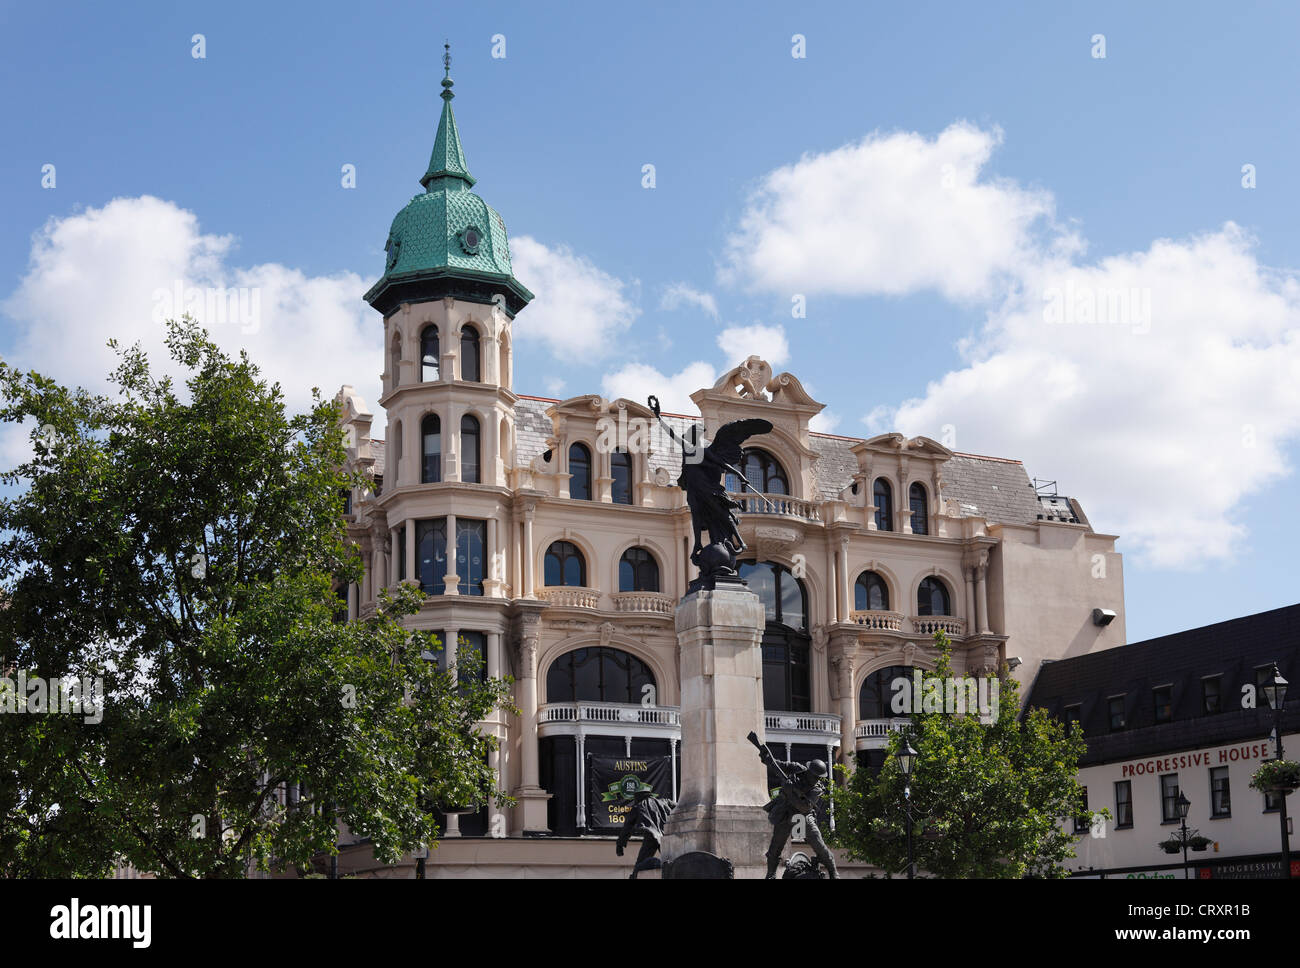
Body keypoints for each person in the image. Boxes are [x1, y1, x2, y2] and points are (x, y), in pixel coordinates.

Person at [758, 748, 838, 879]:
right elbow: (779, 765)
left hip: (803, 816)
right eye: (814, 776)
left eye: (818, 777)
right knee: (775, 847)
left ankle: (834, 873)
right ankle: (771, 874)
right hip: (785, 811)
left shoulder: (817, 789)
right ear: (809, 771)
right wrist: (767, 759)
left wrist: (790, 792)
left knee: (819, 845)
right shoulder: (797, 768)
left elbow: (804, 807)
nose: (816, 779)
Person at [615, 789, 676, 879]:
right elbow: (680, 805)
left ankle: (634, 876)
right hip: (665, 835)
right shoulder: (664, 802)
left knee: (641, 863)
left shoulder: (639, 806)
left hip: (651, 836)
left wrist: (620, 844)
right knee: (671, 861)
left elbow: (628, 827)